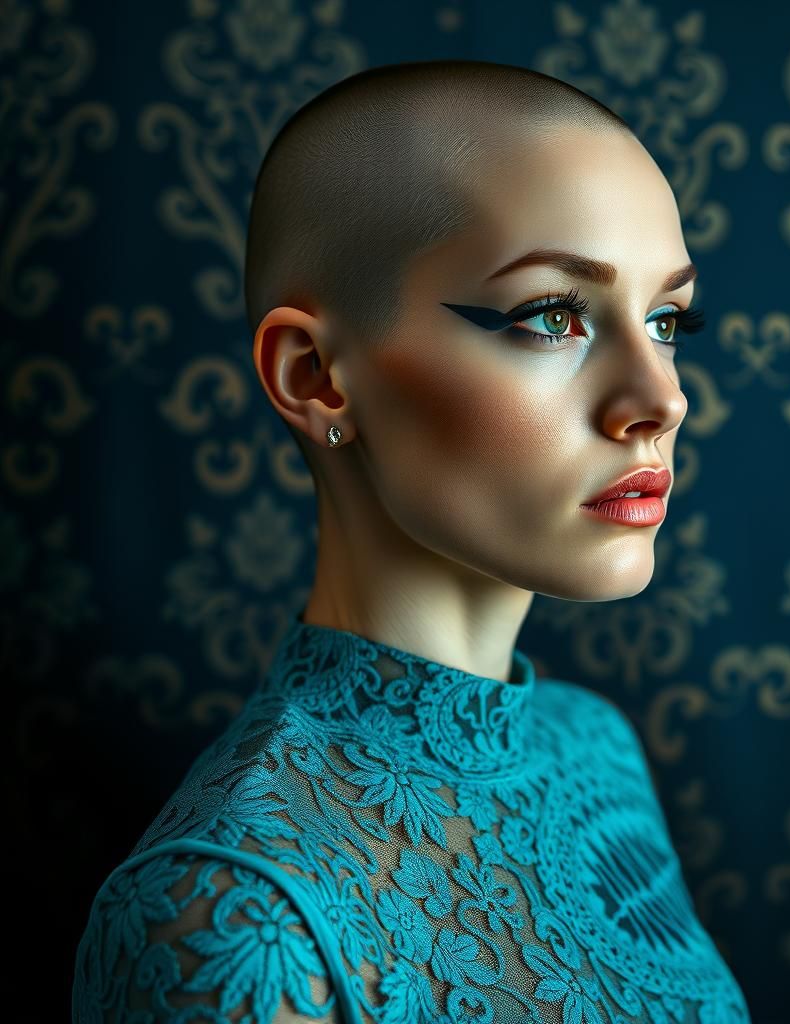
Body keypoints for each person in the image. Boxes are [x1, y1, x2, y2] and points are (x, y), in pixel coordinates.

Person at [72, 59, 750, 1024]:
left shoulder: (594, 748)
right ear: (315, 376)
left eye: (665, 319)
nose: (661, 400)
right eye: (554, 317)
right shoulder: (229, 918)